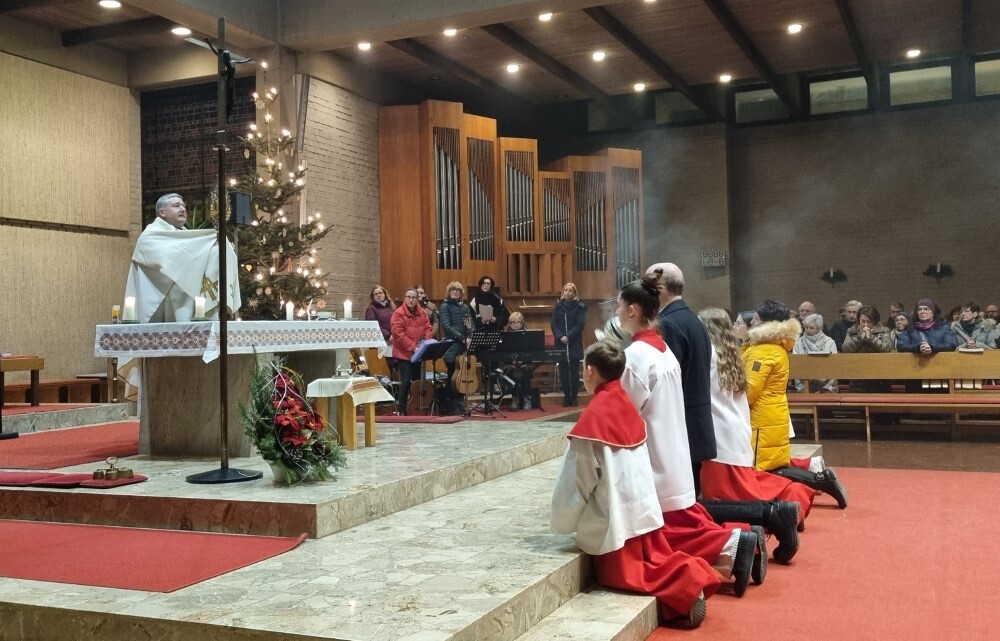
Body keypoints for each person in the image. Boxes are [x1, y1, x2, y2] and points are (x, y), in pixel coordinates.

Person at [551, 340, 722, 627]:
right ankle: (697, 570)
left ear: (589, 371)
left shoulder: (593, 419)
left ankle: (690, 583)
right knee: (653, 559)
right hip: (644, 515)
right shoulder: (630, 407)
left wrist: (563, 521)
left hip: (615, 523)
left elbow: (576, 483)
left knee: (622, 574)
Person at [618, 277, 763, 596]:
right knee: (682, 521)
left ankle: (734, 542)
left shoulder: (637, 356)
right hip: (675, 447)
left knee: (665, 533)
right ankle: (739, 540)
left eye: (618, 306)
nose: (615, 312)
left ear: (631, 310)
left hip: (656, 452)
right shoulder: (663, 351)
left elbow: (624, 410)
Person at [696, 307, 808, 563]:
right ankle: (779, 510)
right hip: (736, 432)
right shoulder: (733, 353)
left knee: (725, 500)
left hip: (719, 437)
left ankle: (777, 513)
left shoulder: (710, 355)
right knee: (742, 489)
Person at [743, 300, 848, 509]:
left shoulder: (762, 350)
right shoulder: (772, 345)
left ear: (767, 323)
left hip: (762, 417)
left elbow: (750, 390)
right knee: (772, 465)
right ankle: (820, 479)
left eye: (755, 319)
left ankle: (820, 480)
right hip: (771, 413)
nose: (751, 322)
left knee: (764, 467)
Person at [645, 263, 716, 493]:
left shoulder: (668, 323)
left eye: (648, 286)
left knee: (683, 496)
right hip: (695, 416)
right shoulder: (691, 318)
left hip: (681, 420)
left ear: (661, 288)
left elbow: (668, 382)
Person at [124, 193, 241, 322]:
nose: (182, 209)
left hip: (184, 296)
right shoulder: (150, 236)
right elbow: (175, 260)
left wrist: (214, 243)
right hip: (158, 300)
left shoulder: (185, 235)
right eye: (176, 205)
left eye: (183, 206)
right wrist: (207, 241)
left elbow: (190, 254)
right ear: (162, 212)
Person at [390, 288, 433, 415]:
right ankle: (402, 410)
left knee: (418, 382)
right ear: (405, 298)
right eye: (408, 297)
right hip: (404, 354)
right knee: (406, 380)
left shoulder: (422, 312)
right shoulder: (398, 313)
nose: (411, 300)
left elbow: (428, 328)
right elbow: (398, 334)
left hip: (419, 352)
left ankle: (417, 407)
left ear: (417, 299)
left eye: (413, 297)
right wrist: (413, 347)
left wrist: (424, 343)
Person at [440, 281, 474, 414]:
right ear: (449, 292)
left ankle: (460, 402)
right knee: (453, 375)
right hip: (452, 345)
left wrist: (470, 336)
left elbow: (470, 324)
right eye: (452, 290)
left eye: (458, 290)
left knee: (463, 375)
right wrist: (461, 338)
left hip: (464, 346)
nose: (455, 292)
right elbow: (446, 326)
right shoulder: (445, 306)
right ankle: (452, 404)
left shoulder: (465, 307)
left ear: (461, 293)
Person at [551, 282, 587, 406]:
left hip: (574, 342)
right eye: (565, 290)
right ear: (563, 292)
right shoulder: (558, 307)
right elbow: (554, 324)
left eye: (570, 291)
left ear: (574, 293)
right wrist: (560, 336)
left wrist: (569, 336)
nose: (567, 292)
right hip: (560, 342)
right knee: (563, 372)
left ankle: (574, 397)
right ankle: (566, 397)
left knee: (574, 372)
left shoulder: (580, 307)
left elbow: (580, 324)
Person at [791, 313, 838, 393]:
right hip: (804, 382)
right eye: (806, 327)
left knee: (826, 391)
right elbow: (796, 364)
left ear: (818, 329)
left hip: (826, 383)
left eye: (811, 328)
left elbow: (834, 364)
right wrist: (809, 377)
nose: (808, 330)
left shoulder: (829, 342)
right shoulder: (798, 343)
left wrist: (819, 378)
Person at [500, 312, 538, 410]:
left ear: (522, 323)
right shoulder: (505, 334)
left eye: (518, 322)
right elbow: (503, 353)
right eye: (513, 322)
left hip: (525, 363)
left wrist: (522, 361)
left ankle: (527, 400)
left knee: (525, 372)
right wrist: (512, 361)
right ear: (510, 323)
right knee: (512, 372)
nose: (516, 324)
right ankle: (515, 399)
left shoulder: (528, 334)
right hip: (509, 364)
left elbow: (531, 352)